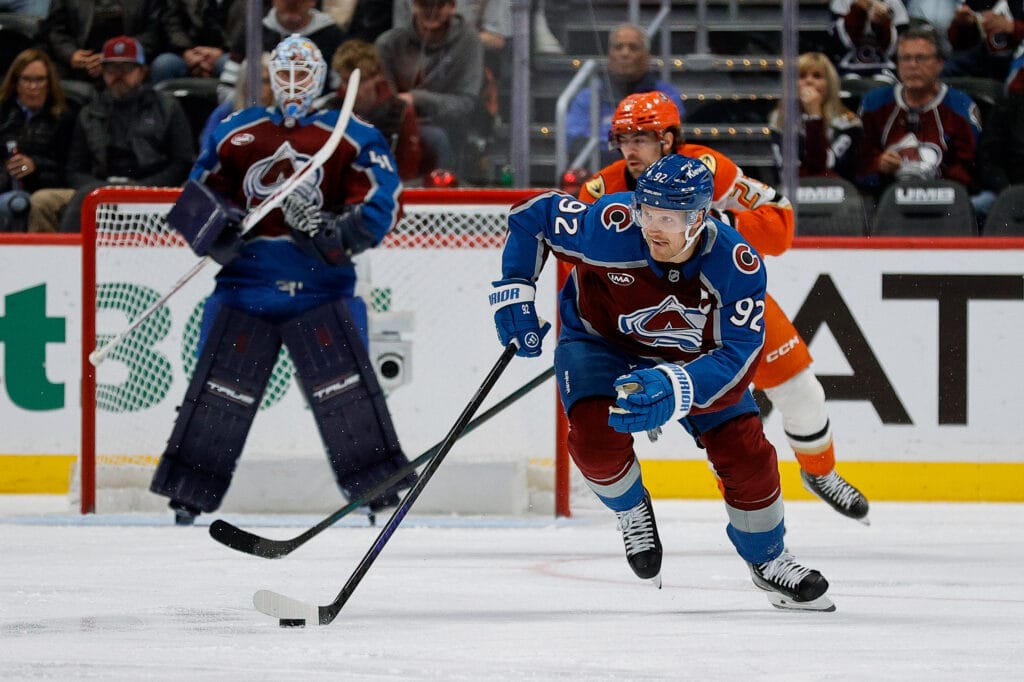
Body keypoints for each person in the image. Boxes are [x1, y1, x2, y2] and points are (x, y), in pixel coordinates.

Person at [489, 153, 835, 611]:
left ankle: (769, 560)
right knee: (593, 438)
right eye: (647, 212)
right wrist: (515, 291)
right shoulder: (609, 224)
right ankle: (631, 509)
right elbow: (532, 217)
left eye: (668, 218)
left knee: (746, 454)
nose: (653, 227)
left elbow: (739, 355)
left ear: (699, 217)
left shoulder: (736, 264)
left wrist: (677, 386)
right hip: (599, 340)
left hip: (693, 359)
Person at [149, 34, 415, 525]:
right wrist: (220, 227)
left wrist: (332, 232)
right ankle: (187, 494)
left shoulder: (350, 135)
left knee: (347, 396)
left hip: (321, 290)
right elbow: (196, 197)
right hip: (244, 290)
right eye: (284, 75)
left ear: (319, 80)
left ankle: (377, 492)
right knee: (218, 395)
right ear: (271, 79)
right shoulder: (235, 131)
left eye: (302, 75)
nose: (293, 85)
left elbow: (383, 203)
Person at [579, 91, 870, 523]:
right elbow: (589, 279)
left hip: (727, 297)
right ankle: (744, 509)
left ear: (670, 139)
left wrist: (722, 224)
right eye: (623, 138)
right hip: (648, 318)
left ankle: (820, 472)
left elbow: (780, 225)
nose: (630, 149)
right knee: (722, 425)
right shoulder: (600, 192)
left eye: (642, 137)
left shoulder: (708, 170)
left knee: (800, 390)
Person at [29, 36, 194, 233]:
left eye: (126, 69)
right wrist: (101, 190)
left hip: (153, 189)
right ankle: (62, 259)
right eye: (111, 69)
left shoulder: (167, 107)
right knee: (42, 201)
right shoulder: (89, 112)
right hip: (99, 189)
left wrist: (141, 187)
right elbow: (74, 170)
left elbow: (182, 162)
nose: (118, 75)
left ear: (142, 72)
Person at [856, 25, 982, 197]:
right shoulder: (874, 104)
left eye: (921, 58)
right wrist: (879, 165)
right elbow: (859, 163)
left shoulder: (961, 107)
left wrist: (935, 177)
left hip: (945, 199)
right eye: (906, 58)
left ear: (939, 64)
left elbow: (970, 169)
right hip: (885, 196)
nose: (913, 65)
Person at [375, 0, 484, 176]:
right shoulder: (389, 43)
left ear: (452, 6)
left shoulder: (469, 41)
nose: (431, 11)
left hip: (450, 128)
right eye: (424, 4)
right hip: (397, 125)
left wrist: (416, 98)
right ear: (413, 5)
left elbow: (466, 103)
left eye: (439, 5)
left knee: (437, 138)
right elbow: (384, 101)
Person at [564, 24, 684, 169]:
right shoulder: (588, 96)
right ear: (609, 54)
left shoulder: (665, 96)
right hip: (599, 174)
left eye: (633, 48)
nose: (625, 53)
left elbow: (666, 140)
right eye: (618, 47)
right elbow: (575, 140)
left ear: (647, 56)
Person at [322, 39, 422, 182]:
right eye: (345, 81)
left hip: (388, 187)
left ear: (377, 76)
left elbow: (408, 166)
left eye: (361, 80)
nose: (352, 88)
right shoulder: (329, 110)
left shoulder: (400, 111)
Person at [0, 48, 74, 232]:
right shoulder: (3, 114)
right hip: (4, 186)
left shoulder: (64, 118)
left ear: (50, 83)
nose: (33, 87)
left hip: (41, 191)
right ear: (15, 83)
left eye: (40, 80)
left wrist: (34, 166)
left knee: (19, 204)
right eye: (27, 80)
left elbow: (69, 171)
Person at [218, 0, 348, 104]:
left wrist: (311, 108)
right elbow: (227, 86)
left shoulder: (332, 35)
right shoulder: (254, 32)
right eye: (286, 1)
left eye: (299, 1)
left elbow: (339, 89)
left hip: (316, 116)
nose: (292, 4)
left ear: (313, 1)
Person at [768, 52, 864, 182]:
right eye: (801, 76)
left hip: (838, 195)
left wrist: (814, 114)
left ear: (829, 84)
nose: (809, 81)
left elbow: (824, 166)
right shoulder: (779, 119)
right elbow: (786, 171)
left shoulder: (849, 123)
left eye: (817, 76)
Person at [41, 0, 163, 86]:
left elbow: (153, 33)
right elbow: (55, 29)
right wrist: (71, 54)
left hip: (127, 60)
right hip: (80, 62)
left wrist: (112, 58)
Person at [150, 0, 246, 83]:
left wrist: (221, 53)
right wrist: (186, 52)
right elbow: (172, 22)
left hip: (229, 53)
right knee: (164, 64)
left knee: (228, 65)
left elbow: (244, 30)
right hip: (188, 51)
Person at [828, 0, 911, 83]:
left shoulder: (893, 2)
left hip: (885, 67)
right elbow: (837, 44)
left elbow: (902, 44)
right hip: (848, 66)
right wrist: (857, 12)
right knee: (848, 84)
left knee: (885, 84)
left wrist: (882, 24)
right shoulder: (841, 2)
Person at [944, 0, 1023, 81]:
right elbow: (958, 44)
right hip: (982, 60)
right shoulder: (977, 2)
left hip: (1016, 60)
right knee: (944, 69)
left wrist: (1014, 27)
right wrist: (962, 24)